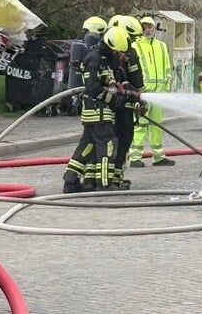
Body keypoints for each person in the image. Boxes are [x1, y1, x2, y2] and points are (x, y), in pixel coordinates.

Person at [62, 26, 138, 193]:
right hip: (97, 110)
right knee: (109, 143)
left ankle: (70, 180)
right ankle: (104, 183)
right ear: (111, 46)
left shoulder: (107, 60)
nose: (121, 56)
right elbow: (92, 89)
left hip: (102, 111)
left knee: (87, 145)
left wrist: (129, 94)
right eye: (119, 52)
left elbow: (116, 81)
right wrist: (115, 100)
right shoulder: (94, 59)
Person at [130, 16, 175, 168]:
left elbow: (168, 68)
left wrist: (167, 88)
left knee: (157, 125)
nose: (147, 29)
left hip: (159, 93)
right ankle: (135, 157)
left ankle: (158, 156)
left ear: (155, 28)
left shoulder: (161, 46)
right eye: (144, 27)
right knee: (140, 124)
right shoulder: (135, 46)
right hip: (143, 92)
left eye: (150, 27)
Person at [109, 15, 145, 189]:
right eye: (132, 37)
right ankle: (112, 179)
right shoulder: (116, 54)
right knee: (118, 141)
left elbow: (136, 78)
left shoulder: (128, 52)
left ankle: (118, 177)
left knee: (125, 140)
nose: (133, 41)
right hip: (117, 106)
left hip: (127, 103)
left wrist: (140, 97)